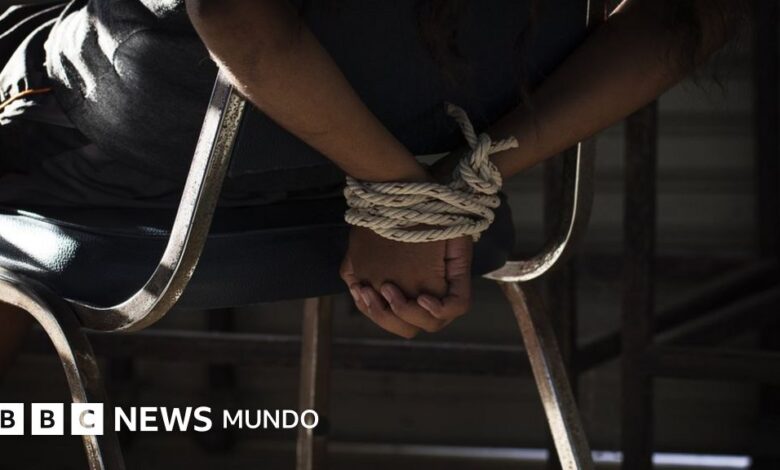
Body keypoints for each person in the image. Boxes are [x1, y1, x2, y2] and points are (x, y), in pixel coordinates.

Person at [0, 0, 749, 375]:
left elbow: (236, 17)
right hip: (418, 156)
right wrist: (443, 192)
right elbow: (691, 16)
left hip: (164, 150)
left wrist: (401, 200)